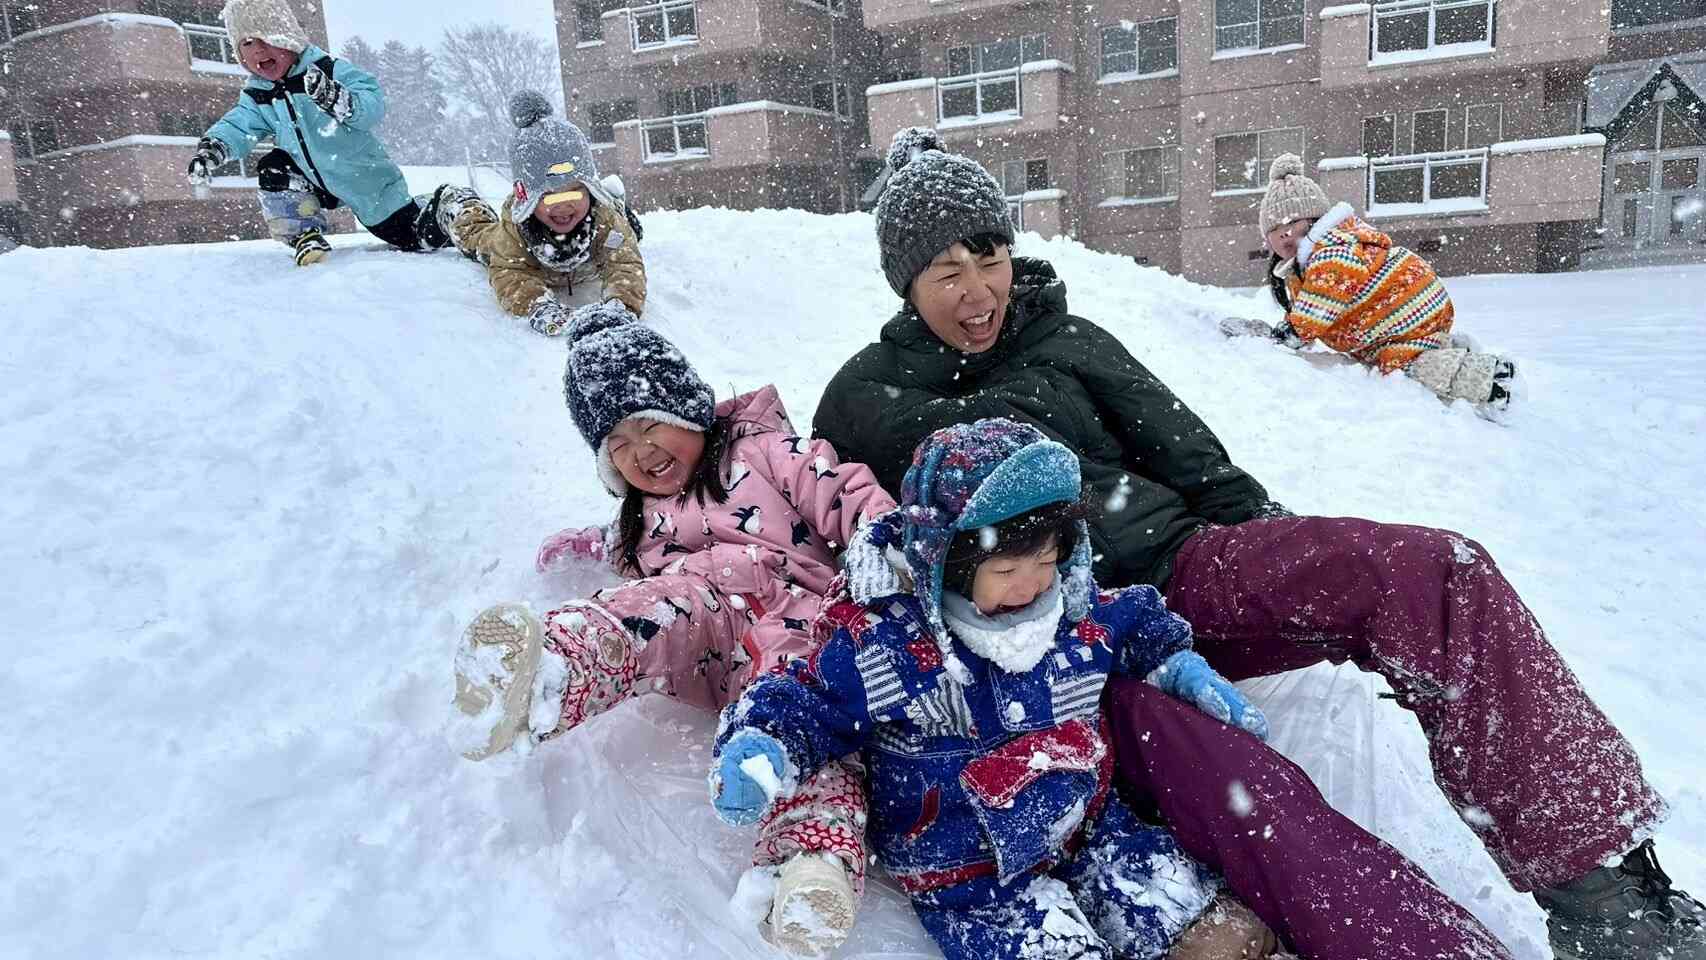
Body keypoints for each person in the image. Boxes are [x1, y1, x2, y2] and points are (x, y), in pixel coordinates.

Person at [812, 126, 1703, 960]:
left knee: (1432, 571)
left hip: (1182, 567)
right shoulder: (865, 400)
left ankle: (1603, 891)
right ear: (905, 282)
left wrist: (1295, 568)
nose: (979, 293)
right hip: (1057, 651)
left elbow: (1192, 458)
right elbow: (834, 540)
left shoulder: (1068, 341)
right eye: (947, 272)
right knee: (1249, 789)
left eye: (992, 257)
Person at [709, 417, 1284, 960]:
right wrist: (764, 740)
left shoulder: (1072, 614)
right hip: (966, 867)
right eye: (1007, 571)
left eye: (1047, 559)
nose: (1032, 584)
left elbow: (1130, 621)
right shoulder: (892, 647)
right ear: (947, 565)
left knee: (1212, 932)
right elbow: (810, 699)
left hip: (1084, 824)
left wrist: (1178, 666)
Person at [450, 301, 891, 956]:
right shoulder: (642, 524)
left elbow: (841, 488)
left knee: (805, 736)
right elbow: (632, 570)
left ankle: (812, 870)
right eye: (617, 445)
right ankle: (552, 671)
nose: (641, 451)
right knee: (662, 606)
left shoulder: (762, 452)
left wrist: (884, 537)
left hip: (817, 631)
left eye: (650, 424)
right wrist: (585, 542)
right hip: (713, 637)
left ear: (688, 407)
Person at [185, 0, 472, 266]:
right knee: (273, 168)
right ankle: (303, 235)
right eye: (247, 43)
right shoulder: (259, 94)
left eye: (267, 37)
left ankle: (450, 209)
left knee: (413, 237)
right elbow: (239, 124)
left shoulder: (328, 70)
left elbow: (372, 103)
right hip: (309, 179)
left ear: (289, 38)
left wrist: (339, 99)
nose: (258, 49)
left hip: (361, 175)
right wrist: (214, 148)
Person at [1231, 154, 1518, 415]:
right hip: (1396, 317)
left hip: (1405, 311)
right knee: (1401, 355)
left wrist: (1285, 336)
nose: (1288, 239)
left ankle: (1488, 377)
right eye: (1279, 236)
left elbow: (1317, 306)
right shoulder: (1312, 260)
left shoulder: (1332, 251)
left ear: (1317, 221)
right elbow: (1316, 307)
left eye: (1296, 228)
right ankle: (1447, 347)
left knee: (1404, 366)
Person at [445, 91, 647, 336]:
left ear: (590, 192)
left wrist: (621, 304)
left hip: (603, 224)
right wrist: (536, 303)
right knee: (478, 238)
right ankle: (462, 203)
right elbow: (510, 273)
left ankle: (614, 196)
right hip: (513, 240)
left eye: (574, 193)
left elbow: (625, 265)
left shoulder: (604, 218)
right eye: (549, 197)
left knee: (626, 233)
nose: (563, 207)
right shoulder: (515, 230)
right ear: (527, 199)